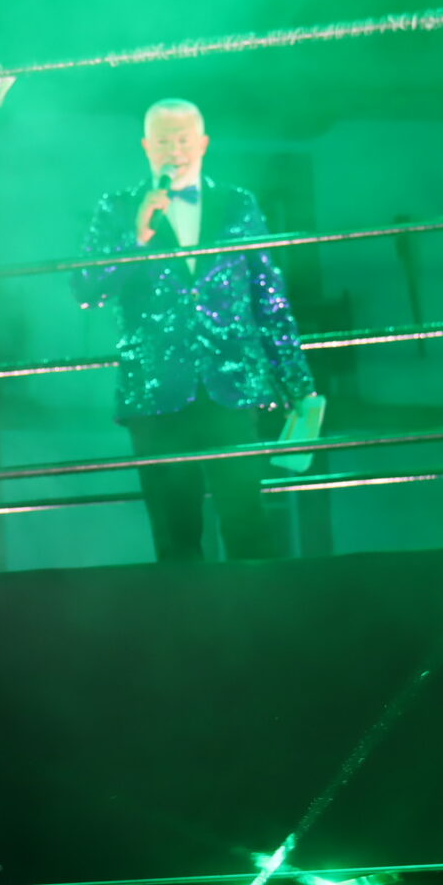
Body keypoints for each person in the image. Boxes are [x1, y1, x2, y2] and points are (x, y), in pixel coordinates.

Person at [75, 99, 311, 563]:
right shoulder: (118, 207)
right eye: (164, 140)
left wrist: (296, 380)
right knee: (174, 532)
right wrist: (136, 238)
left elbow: (268, 293)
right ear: (147, 147)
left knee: (246, 522)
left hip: (232, 382)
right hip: (155, 390)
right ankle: (183, 611)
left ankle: (256, 609)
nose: (174, 150)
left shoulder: (239, 203)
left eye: (183, 139)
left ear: (203, 144)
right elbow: (86, 288)